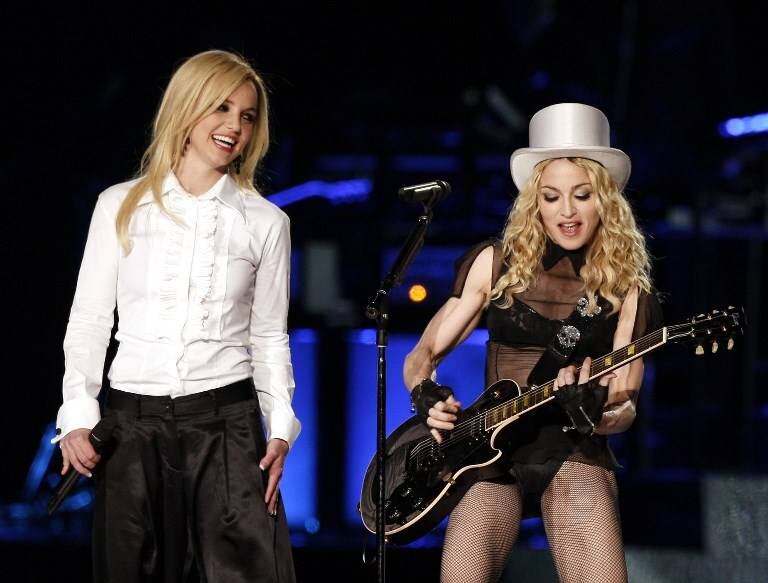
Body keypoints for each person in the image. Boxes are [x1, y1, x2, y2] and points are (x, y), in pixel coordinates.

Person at [53, 49, 300, 582]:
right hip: (132, 429)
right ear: (186, 107)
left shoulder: (265, 222)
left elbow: (268, 337)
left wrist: (279, 427)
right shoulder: (119, 205)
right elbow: (90, 319)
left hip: (227, 430)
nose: (234, 126)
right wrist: (78, 414)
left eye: (247, 115)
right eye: (221, 108)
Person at [404, 102, 662, 582]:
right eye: (551, 196)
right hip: (488, 458)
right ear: (534, 202)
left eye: (582, 195)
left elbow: (626, 405)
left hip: (574, 453)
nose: (567, 211)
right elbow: (422, 354)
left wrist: (594, 412)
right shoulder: (495, 263)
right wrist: (425, 394)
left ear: (605, 200)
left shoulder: (628, 289)